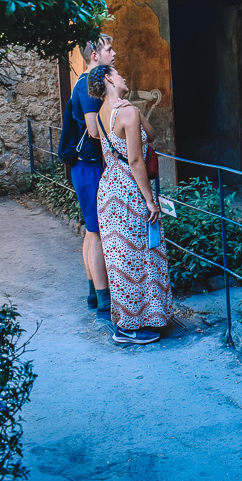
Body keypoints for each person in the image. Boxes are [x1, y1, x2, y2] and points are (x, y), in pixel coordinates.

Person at [88, 64, 172, 344]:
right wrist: (150, 200)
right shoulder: (125, 113)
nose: (124, 75)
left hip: (108, 191)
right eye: (119, 72)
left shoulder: (106, 113)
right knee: (139, 257)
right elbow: (136, 161)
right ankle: (130, 328)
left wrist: (135, 109)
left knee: (122, 260)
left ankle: (133, 321)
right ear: (110, 79)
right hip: (128, 192)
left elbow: (151, 134)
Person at [70, 35, 114, 319]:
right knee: (96, 232)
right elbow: (95, 130)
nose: (114, 53)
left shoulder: (83, 83)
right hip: (90, 167)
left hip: (83, 166)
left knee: (91, 230)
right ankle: (104, 299)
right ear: (95, 55)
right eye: (109, 49)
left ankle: (92, 292)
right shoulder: (88, 86)